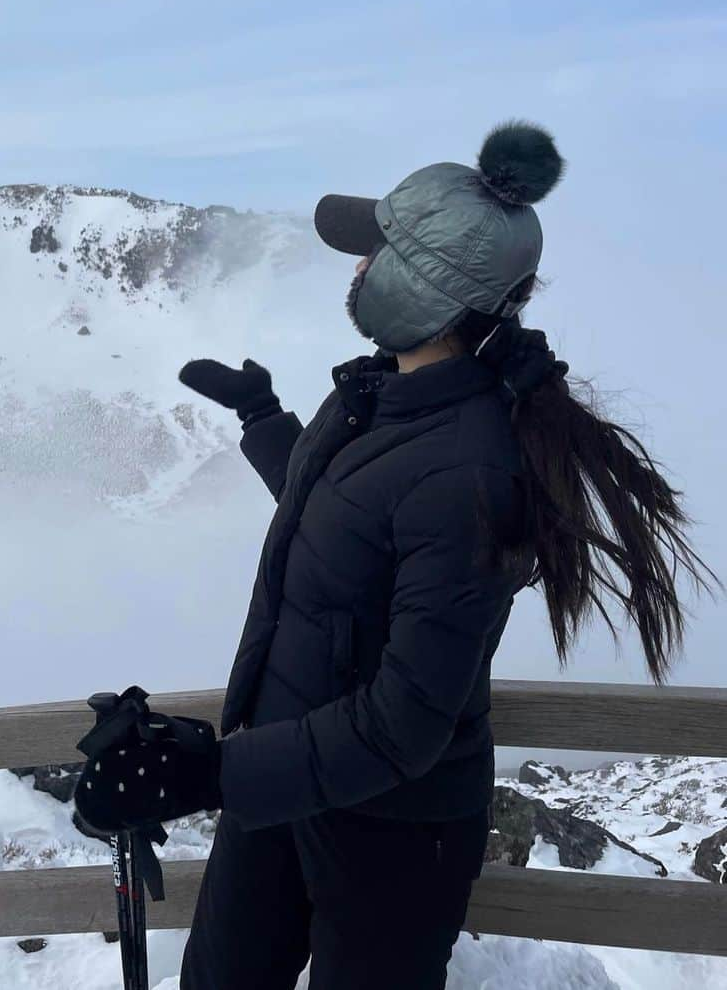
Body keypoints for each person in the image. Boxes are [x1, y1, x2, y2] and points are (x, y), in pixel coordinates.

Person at [71, 119, 722, 989]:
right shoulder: (389, 400)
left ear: (425, 286)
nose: (358, 267)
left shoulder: (470, 468)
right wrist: (265, 422)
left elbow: (403, 722)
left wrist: (208, 772)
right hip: (286, 786)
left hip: (389, 835)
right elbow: (347, 524)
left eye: (376, 254)